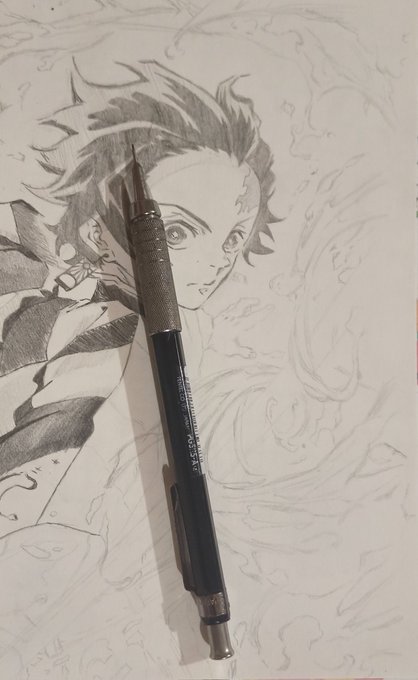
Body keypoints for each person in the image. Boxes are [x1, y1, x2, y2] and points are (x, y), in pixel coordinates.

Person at [0, 60, 277, 498]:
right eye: (177, 233)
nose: (215, 263)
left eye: (232, 239)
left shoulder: (108, 339)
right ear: (95, 232)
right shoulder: (27, 254)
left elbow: (30, 459)